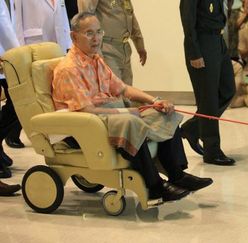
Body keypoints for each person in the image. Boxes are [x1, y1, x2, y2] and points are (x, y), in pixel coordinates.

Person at [52, 12, 213, 202]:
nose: (96, 38)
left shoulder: (96, 60)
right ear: (73, 36)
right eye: (89, 33)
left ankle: (177, 175)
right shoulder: (68, 69)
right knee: (130, 121)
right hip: (85, 125)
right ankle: (154, 187)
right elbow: (86, 111)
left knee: (164, 113)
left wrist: (154, 101)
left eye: (99, 32)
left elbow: (124, 89)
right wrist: (127, 111)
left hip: (108, 116)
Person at [179, 0, 236, 166]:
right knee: (208, 98)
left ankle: (193, 128)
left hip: (217, 40)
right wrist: (194, 52)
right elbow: (188, 22)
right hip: (202, 42)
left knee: (227, 90)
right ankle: (212, 150)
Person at [78, 0, 147, 86]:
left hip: (124, 49)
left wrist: (140, 45)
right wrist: (95, 52)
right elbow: (85, 18)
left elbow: (130, 15)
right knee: (114, 92)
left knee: (128, 94)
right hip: (105, 49)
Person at [0, 0, 21, 194]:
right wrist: (18, 54)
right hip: (9, 57)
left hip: (7, 59)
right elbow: (3, 23)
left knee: (17, 105)